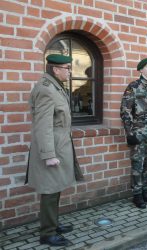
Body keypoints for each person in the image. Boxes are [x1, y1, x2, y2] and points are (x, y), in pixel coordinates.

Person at [26, 54, 84, 247]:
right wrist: (49, 155)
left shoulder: (56, 87)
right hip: (52, 148)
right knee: (50, 190)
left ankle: (53, 224)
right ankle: (47, 233)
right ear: (55, 69)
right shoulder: (46, 90)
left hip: (59, 145)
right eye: (67, 68)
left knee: (56, 187)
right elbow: (43, 126)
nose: (70, 71)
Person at [120, 58, 147, 209]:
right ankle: (137, 194)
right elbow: (125, 111)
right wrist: (129, 133)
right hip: (139, 133)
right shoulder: (133, 87)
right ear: (141, 70)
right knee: (138, 165)